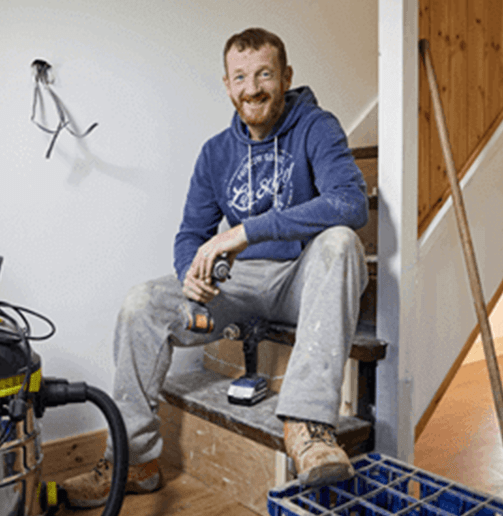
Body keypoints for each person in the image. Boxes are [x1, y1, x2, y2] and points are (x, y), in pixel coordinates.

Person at [63, 27, 369, 509]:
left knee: (341, 242)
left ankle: (307, 426)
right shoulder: (215, 153)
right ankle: (135, 460)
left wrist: (247, 231)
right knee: (141, 304)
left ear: (285, 77)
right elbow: (190, 234)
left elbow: (351, 204)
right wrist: (192, 274)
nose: (253, 88)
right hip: (238, 284)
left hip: (300, 276)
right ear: (227, 84)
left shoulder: (317, 126)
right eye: (241, 77)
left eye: (265, 74)